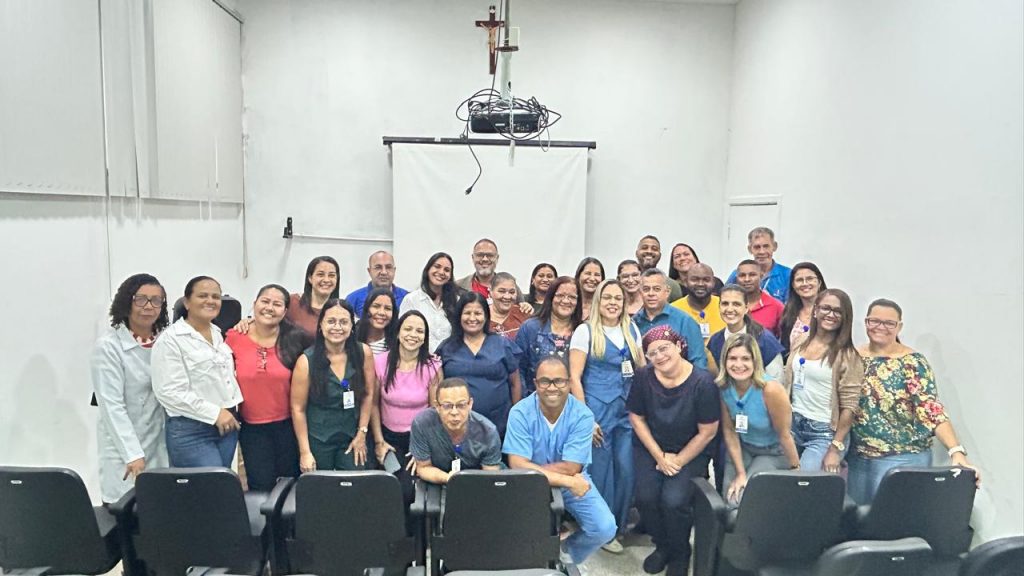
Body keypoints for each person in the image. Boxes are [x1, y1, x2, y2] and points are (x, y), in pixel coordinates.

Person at [847, 299, 980, 504]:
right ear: (866, 322)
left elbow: (931, 409)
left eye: (889, 323)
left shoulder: (912, 362)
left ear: (899, 327)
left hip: (903, 459)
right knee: (860, 518)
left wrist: (956, 451)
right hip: (859, 459)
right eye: (874, 321)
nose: (881, 327)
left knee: (897, 519)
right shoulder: (853, 356)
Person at [504, 357, 617, 566]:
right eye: (545, 381)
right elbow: (517, 465)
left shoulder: (583, 415)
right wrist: (566, 480)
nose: (552, 387)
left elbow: (572, 467)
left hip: (571, 479)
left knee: (605, 527)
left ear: (569, 383)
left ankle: (566, 554)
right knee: (520, 535)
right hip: (530, 485)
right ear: (535, 383)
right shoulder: (519, 412)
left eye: (559, 381)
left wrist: (530, 469)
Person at [627, 326, 720, 576]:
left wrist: (677, 461)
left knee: (674, 501)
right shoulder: (643, 377)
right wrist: (659, 456)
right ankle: (663, 546)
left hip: (691, 449)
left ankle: (680, 553)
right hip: (652, 448)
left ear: (679, 346)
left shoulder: (703, 383)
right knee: (645, 497)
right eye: (652, 353)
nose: (659, 356)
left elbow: (708, 432)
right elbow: (636, 418)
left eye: (664, 348)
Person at [568, 279, 645, 553]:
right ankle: (602, 529)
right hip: (597, 411)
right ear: (598, 301)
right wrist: (585, 419)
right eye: (608, 297)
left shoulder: (631, 329)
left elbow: (641, 370)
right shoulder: (585, 331)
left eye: (618, 298)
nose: (613, 303)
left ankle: (619, 526)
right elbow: (574, 377)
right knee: (601, 471)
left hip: (627, 410)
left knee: (626, 469)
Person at [91, 273, 170, 503]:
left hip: (159, 443)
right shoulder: (109, 346)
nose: (149, 306)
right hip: (124, 449)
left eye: (156, 300)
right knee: (124, 507)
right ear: (127, 302)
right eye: (141, 299)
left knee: (158, 507)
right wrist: (132, 454)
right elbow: (111, 406)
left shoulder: (166, 340)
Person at [152, 276, 243, 468]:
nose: (210, 301)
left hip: (226, 426)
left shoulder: (217, 333)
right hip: (192, 430)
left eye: (215, 297)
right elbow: (169, 392)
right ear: (187, 302)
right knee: (207, 484)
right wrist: (215, 413)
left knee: (222, 483)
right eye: (202, 296)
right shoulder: (171, 340)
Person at [225, 284, 308, 491]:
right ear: (254, 304)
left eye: (277, 304)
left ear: (285, 311)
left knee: (290, 486)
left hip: (289, 425)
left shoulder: (297, 339)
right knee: (259, 487)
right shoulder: (234, 337)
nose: (269, 308)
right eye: (265, 301)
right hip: (250, 427)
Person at [782, 289, 863, 473]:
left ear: (845, 318)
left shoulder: (848, 356)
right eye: (826, 308)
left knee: (805, 481)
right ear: (816, 310)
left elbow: (850, 407)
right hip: (793, 425)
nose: (831, 314)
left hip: (824, 432)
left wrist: (835, 449)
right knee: (781, 480)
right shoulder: (801, 341)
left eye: (838, 311)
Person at [290, 299, 376, 471]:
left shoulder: (363, 353)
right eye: (331, 321)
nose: (337, 327)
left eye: (344, 322)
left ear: (352, 326)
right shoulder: (306, 361)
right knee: (321, 485)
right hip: (318, 439)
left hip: (352, 436)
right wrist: (305, 452)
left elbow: (368, 394)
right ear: (320, 325)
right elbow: (298, 408)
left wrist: (362, 432)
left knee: (356, 482)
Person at [717, 333, 800, 506]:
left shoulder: (770, 390)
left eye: (745, 359)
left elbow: (785, 435)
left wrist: (796, 472)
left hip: (773, 452)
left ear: (755, 361)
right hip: (744, 448)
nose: (738, 365)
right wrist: (740, 473)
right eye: (732, 358)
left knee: (744, 497)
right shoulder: (724, 387)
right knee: (730, 497)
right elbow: (730, 431)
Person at [373, 310, 442, 501]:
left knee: (408, 490)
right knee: (385, 487)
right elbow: (373, 405)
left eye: (419, 331)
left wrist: (423, 449)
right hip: (387, 438)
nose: (413, 335)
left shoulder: (433, 366)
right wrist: (379, 442)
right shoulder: (380, 362)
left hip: (419, 438)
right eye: (408, 329)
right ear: (397, 332)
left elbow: (435, 411)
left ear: (425, 337)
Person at [437, 292, 522, 437]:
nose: (472, 318)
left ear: (486, 316)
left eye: (478, 313)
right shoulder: (446, 348)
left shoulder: (502, 344)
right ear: (459, 316)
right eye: (467, 313)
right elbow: (436, 385)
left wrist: (516, 418)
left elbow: (515, 383)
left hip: (500, 427)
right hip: (456, 428)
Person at [410, 377, 502, 484]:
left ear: (470, 404)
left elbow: (490, 478)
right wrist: (448, 478)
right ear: (437, 407)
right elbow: (423, 467)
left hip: (477, 482)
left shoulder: (488, 432)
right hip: (437, 479)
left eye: (461, 405)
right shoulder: (422, 424)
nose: (454, 412)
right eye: (447, 406)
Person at [516, 276, 582, 397]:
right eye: (560, 295)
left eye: (572, 297)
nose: (566, 301)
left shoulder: (583, 331)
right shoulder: (530, 328)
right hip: (534, 400)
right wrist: (525, 402)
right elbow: (519, 370)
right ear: (551, 298)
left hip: (573, 402)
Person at [632, 269, 708, 369]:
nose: (651, 293)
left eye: (657, 289)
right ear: (640, 293)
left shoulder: (685, 321)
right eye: (646, 289)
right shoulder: (633, 323)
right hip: (645, 377)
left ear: (667, 292)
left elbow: (698, 361)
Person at [707, 284, 784, 381]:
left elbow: (777, 381)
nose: (730, 309)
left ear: (746, 307)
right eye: (725, 304)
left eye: (736, 304)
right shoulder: (715, 340)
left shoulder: (765, 339)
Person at [399, 252, 459, 353]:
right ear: (428, 269)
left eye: (447, 270)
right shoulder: (412, 300)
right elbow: (402, 333)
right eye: (437, 266)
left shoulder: (456, 301)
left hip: (449, 358)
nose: (441, 272)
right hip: (419, 358)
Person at [726, 227, 792, 303]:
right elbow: (724, 299)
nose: (762, 252)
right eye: (757, 247)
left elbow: (791, 306)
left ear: (774, 246)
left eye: (766, 246)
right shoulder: (738, 274)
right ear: (750, 249)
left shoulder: (787, 275)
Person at [455, 238, 527, 304]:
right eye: (480, 255)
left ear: (497, 258)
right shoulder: (459, 286)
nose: (485, 259)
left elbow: (521, 309)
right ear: (473, 258)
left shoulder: (511, 286)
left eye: (490, 255)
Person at [779, 262, 827, 358]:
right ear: (793, 285)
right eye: (799, 280)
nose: (805, 283)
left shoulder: (830, 311)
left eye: (810, 279)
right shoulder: (788, 313)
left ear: (819, 282)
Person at [671, 263, 726, 345]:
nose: (700, 284)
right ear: (686, 282)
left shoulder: (725, 306)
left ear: (713, 282)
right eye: (695, 279)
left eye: (706, 280)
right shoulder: (673, 310)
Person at [289, 256, 342, 335]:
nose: (326, 280)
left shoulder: (342, 309)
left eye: (331, 275)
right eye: (320, 275)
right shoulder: (292, 303)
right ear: (310, 278)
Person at [345, 250, 409, 315]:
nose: (384, 272)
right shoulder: (353, 299)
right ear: (369, 271)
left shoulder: (406, 298)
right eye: (378, 267)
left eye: (388, 267)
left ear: (394, 270)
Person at [734, 259, 785, 336]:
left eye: (752, 275)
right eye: (742, 275)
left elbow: (784, 338)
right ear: (736, 278)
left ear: (761, 276)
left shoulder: (776, 306)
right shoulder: (728, 305)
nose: (747, 279)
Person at [634, 235, 683, 302]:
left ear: (659, 256)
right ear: (636, 253)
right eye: (644, 248)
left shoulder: (672, 285)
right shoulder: (627, 282)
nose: (649, 251)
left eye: (654, 249)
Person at [353, 288, 399, 355]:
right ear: (367, 309)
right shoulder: (352, 336)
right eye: (376, 306)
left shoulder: (398, 341)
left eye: (387, 308)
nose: (381, 312)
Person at [489, 272, 531, 340]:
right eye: (501, 291)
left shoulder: (524, 315)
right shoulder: (480, 316)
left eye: (512, 292)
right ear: (491, 291)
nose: (507, 297)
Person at [575, 257, 605, 322]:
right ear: (578, 276)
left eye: (597, 275)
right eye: (588, 273)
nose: (592, 279)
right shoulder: (570, 303)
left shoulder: (605, 307)